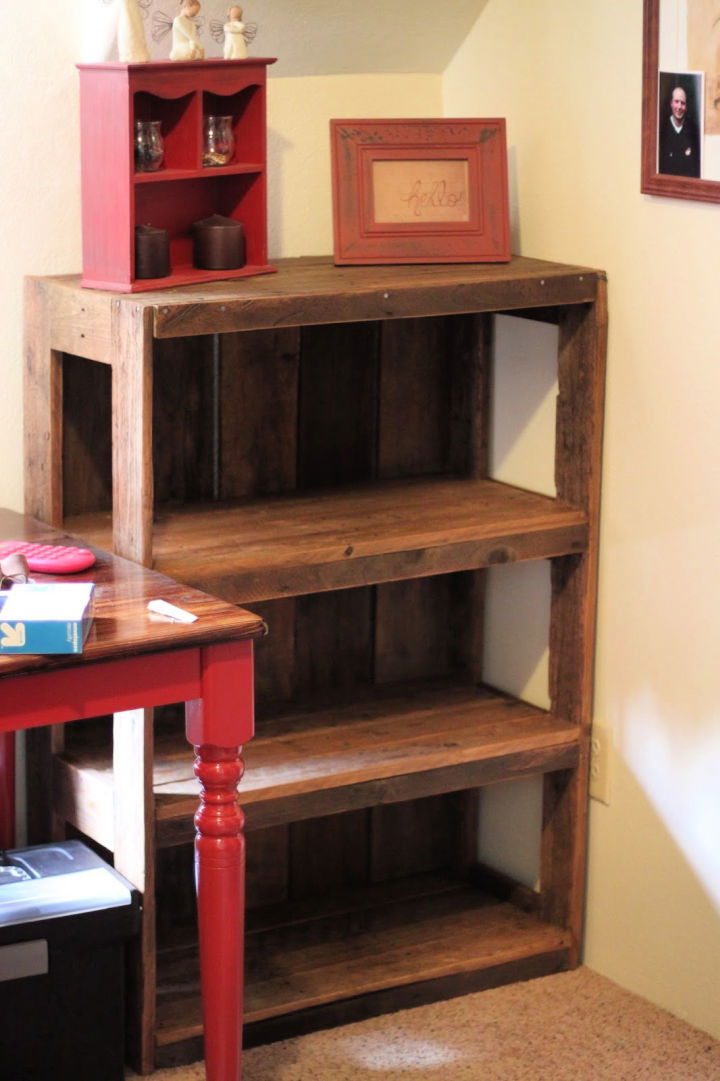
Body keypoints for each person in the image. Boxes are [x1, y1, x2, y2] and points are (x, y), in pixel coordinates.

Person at [658, 85, 700, 177]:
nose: (679, 106)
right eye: (676, 102)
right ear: (671, 103)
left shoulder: (694, 130)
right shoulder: (661, 129)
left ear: (686, 107)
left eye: (683, 103)